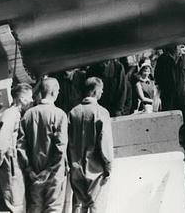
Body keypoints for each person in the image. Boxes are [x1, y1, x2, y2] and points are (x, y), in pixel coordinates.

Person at [17, 77, 68, 213]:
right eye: (57, 90)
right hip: (53, 174)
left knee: (34, 209)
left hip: (33, 174)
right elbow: (60, 148)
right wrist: (49, 171)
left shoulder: (27, 115)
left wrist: (28, 169)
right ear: (53, 92)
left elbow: (20, 146)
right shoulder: (60, 115)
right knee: (53, 209)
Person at [68, 77, 113, 213]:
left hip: (76, 169)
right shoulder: (101, 112)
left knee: (80, 207)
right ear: (95, 91)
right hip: (96, 169)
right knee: (97, 207)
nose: (102, 93)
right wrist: (108, 166)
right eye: (101, 90)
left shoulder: (72, 112)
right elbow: (104, 141)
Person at [0, 82, 33, 213]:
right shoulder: (11, 114)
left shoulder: (15, 114)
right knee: (15, 206)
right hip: (10, 170)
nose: (31, 100)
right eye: (29, 97)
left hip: (13, 168)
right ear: (21, 98)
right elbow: (1, 144)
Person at [154, 44, 185, 122]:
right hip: (169, 97)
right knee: (169, 121)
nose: (176, 47)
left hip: (184, 96)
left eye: (177, 45)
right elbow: (157, 77)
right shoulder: (162, 59)